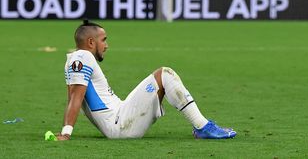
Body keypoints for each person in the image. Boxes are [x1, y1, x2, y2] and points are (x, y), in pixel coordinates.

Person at [54, 20, 236, 140]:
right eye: (104, 40)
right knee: (165, 74)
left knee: (163, 77)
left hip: (119, 117)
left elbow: (73, 97)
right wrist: (66, 133)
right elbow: (76, 98)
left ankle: (201, 126)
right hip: (119, 124)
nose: (106, 45)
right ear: (91, 42)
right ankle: (203, 126)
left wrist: (65, 130)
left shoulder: (74, 59)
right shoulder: (82, 58)